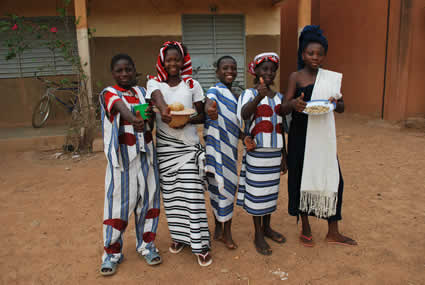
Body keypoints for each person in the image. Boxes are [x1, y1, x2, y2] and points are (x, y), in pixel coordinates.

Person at [281, 25, 357, 247]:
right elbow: (282, 108)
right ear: (302, 54)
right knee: (301, 179)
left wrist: (338, 102)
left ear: (324, 55)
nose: (315, 57)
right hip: (299, 136)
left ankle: (333, 230)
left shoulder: (330, 78)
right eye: (310, 53)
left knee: (334, 178)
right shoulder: (295, 77)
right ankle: (305, 226)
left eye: (319, 54)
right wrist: (294, 104)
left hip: (323, 136)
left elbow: (341, 108)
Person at [146, 41, 213, 267]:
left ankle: (200, 243)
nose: (173, 63)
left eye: (177, 59)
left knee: (192, 196)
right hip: (165, 149)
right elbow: (156, 98)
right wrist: (165, 110)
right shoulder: (153, 83)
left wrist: (184, 120)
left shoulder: (192, 84)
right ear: (163, 62)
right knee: (173, 197)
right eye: (169, 60)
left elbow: (202, 116)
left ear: (183, 61)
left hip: (188, 146)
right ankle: (180, 238)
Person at [99, 54, 161, 276]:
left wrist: (147, 119)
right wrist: (133, 119)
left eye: (128, 69)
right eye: (119, 70)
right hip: (121, 162)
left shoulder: (142, 93)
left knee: (149, 203)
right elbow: (119, 108)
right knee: (118, 207)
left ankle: (147, 245)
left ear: (135, 70)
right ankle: (111, 253)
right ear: (113, 73)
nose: (124, 73)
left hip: (145, 157)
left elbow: (148, 121)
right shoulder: (109, 93)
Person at [237, 52, 287, 255]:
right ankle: (258, 233)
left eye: (272, 70)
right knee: (257, 194)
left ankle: (267, 228)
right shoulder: (248, 94)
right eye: (264, 69)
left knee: (269, 193)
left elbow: (281, 127)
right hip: (257, 153)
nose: (269, 72)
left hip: (274, 153)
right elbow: (244, 114)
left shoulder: (279, 98)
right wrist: (260, 94)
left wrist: (284, 155)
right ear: (256, 71)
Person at [204, 55, 242, 250]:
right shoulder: (214, 91)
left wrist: (247, 137)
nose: (229, 71)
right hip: (215, 150)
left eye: (233, 68)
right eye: (225, 68)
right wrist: (210, 110)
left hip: (230, 151)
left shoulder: (237, 96)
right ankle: (222, 230)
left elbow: (238, 123)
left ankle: (223, 231)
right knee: (217, 190)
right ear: (217, 72)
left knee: (226, 189)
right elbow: (208, 105)